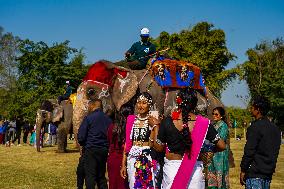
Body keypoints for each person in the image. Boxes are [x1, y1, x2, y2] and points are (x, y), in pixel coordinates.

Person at [152, 88, 226, 189]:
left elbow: (159, 148)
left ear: (178, 101)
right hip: (195, 170)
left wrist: (155, 126)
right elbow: (222, 145)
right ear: (195, 104)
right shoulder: (204, 123)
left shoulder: (167, 121)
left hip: (172, 171)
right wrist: (207, 151)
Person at [240, 96, 281, 189]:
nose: (250, 109)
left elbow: (249, 151)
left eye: (252, 107)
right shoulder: (275, 129)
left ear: (257, 109)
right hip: (267, 174)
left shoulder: (255, 127)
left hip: (254, 174)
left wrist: (243, 170)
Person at [120, 92, 159, 189]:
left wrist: (154, 127)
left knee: (147, 185)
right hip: (132, 158)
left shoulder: (152, 121)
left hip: (146, 157)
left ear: (149, 105)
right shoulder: (131, 120)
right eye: (139, 102)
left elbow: (152, 144)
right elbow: (127, 144)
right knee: (133, 185)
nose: (140, 106)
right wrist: (123, 164)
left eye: (144, 103)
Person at [78, 99, 112, 189]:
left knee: (90, 176)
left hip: (91, 149)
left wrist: (83, 143)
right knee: (101, 176)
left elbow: (81, 136)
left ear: (92, 106)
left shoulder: (89, 118)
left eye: (88, 106)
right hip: (104, 150)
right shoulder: (108, 119)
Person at [107, 104, 133, 189]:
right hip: (124, 160)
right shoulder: (130, 128)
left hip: (112, 159)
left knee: (113, 184)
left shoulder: (112, 127)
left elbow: (108, 141)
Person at [207, 107, 229, 188]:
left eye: (216, 114)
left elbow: (221, 141)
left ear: (221, 116)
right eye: (213, 114)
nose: (214, 115)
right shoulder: (213, 125)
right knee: (212, 176)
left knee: (220, 175)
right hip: (212, 154)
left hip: (220, 154)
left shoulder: (223, 126)